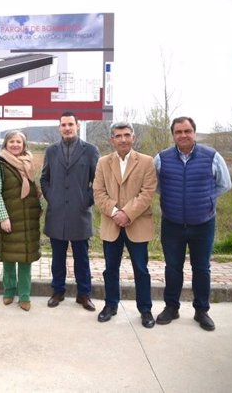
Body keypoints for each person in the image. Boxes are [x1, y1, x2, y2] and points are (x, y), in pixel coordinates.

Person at [154, 116, 232, 331]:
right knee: (172, 268)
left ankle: (201, 310)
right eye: (178, 132)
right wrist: (173, 200)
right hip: (172, 224)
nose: (183, 135)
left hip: (203, 223)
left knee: (201, 268)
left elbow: (224, 184)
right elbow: (157, 186)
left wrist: (206, 199)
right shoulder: (161, 159)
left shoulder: (212, 156)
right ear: (173, 135)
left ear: (194, 132)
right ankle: (172, 307)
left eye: (187, 131)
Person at [93, 122, 157, 328]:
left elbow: (147, 193)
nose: (123, 139)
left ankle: (145, 310)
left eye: (127, 135)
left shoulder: (146, 162)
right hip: (111, 225)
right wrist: (114, 212)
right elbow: (98, 192)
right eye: (118, 136)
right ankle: (110, 305)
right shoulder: (103, 162)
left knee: (141, 269)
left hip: (137, 224)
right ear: (112, 139)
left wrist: (127, 214)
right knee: (110, 268)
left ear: (133, 137)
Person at [41, 111, 99, 311]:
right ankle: (58, 291)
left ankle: (84, 294)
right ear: (59, 127)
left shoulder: (90, 150)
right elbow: (44, 179)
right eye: (63, 125)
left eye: (70, 124)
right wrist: (52, 197)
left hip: (80, 213)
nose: (67, 128)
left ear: (78, 126)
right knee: (57, 258)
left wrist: (86, 201)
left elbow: (98, 182)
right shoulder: (51, 151)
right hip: (56, 213)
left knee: (81, 258)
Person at [0, 130, 42, 312]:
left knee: (26, 258)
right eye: (11, 141)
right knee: (9, 258)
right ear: (5, 144)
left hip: (27, 219)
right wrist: (3, 217)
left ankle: (25, 295)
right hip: (9, 218)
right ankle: (9, 291)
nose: (15, 145)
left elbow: (32, 187)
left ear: (24, 145)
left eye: (18, 142)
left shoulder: (28, 162)